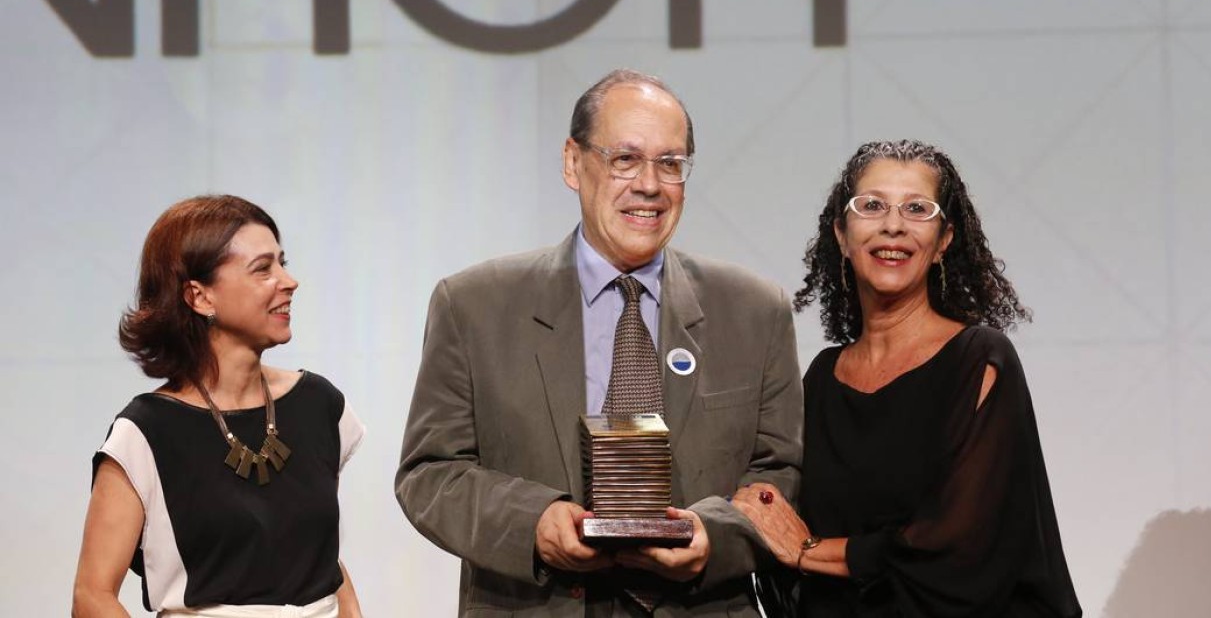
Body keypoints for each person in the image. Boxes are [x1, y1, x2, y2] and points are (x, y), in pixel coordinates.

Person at [396, 68, 803, 616]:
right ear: (573, 162)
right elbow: (430, 473)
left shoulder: (755, 310)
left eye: (671, 163)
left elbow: (779, 471)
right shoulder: (473, 305)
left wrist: (714, 536)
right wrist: (535, 522)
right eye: (625, 159)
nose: (650, 186)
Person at [733, 140, 1081, 617]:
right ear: (841, 234)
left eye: (917, 208)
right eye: (872, 206)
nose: (893, 224)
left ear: (943, 241)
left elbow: (956, 551)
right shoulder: (821, 378)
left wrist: (810, 550)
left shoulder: (980, 359)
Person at [72, 195, 365, 618]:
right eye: (263, 268)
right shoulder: (147, 432)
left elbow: (320, 558)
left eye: (283, 262)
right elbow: (92, 595)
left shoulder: (319, 405)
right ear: (199, 297)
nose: (289, 281)